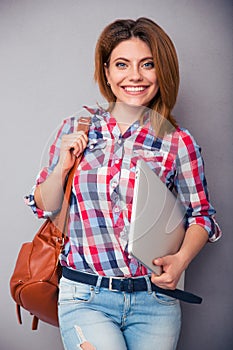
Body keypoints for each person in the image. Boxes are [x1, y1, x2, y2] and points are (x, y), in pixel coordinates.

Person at [26, 17, 221, 350]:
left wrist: (181, 260)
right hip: (85, 296)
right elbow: (44, 205)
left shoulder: (177, 142)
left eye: (148, 64)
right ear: (106, 72)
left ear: (163, 71)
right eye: (122, 64)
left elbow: (201, 216)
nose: (135, 76)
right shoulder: (78, 126)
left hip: (155, 302)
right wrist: (62, 166)